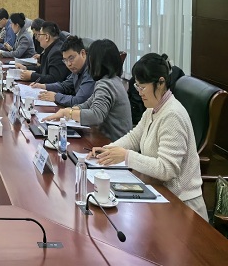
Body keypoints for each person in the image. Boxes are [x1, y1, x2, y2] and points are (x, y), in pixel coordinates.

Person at [88, 53, 207, 221]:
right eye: (137, 86)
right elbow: (134, 138)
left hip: (182, 207)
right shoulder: (153, 109)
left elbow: (167, 169)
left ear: (161, 83)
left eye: (143, 87)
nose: (139, 93)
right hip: (158, 194)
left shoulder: (173, 115)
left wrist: (126, 156)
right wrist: (108, 150)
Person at [43, 39, 131, 141]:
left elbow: (96, 115)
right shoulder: (112, 80)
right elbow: (88, 103)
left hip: (113, 142)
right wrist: (69, 110)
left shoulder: (106, 84)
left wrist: (68, 113)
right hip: (109, 139)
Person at [32, 35, 95, 107]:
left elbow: (79, 101)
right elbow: (65, 86)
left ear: (83, 53)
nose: (69, 64)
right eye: (65, 60)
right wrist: (44, 86)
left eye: (71, 58)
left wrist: (56, 97)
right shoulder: (77, 68)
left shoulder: (91, 70)